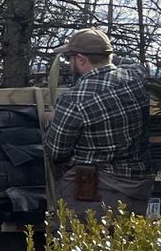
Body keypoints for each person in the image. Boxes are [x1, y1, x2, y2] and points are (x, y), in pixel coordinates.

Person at [41, 27, 152, 216]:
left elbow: (55, 151)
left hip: (90, 194)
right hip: (136, 188)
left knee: (79, 243)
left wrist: (54, 119)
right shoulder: (136, 78)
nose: (69, 64)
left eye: (71, 59)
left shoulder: (74, 99)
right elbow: (131, 64)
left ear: (82, 59)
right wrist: (103, 56)